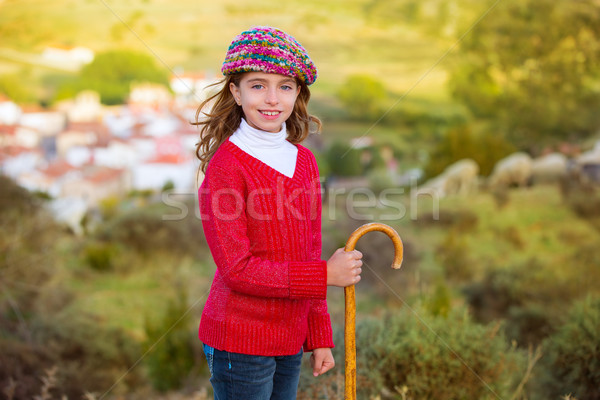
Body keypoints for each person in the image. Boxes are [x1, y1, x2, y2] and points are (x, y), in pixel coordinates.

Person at [194, 26, 363, 400]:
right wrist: (325, 275)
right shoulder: (227, 168)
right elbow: (237, 270)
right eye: (258, 85)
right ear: (236, 92)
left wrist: (319, 336)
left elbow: (309, 251)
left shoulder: (304, 161)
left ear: (298, 93)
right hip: (239, 341)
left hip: (290, 338)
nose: (272, 99)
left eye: (285, 86)